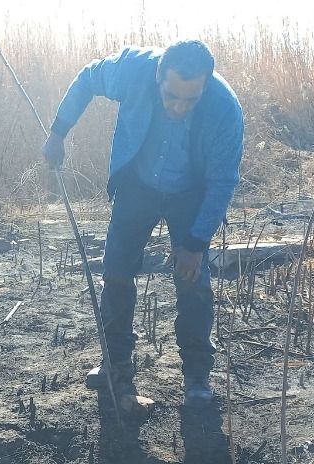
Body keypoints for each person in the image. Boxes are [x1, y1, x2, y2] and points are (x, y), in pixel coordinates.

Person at [42, 40, 244, 407]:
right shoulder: (132, 70)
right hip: (137, 182)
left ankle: (197, 375)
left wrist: (196, 244)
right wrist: (58, 132)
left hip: (190, 190)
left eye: (190, 100)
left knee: (193, 279)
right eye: (172, 97)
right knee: (117, 271)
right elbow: (88, 78)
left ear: (205, 86)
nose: (180, 108)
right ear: (157, 77)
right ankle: (114, 364)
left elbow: (222, 182)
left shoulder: (225, 108)